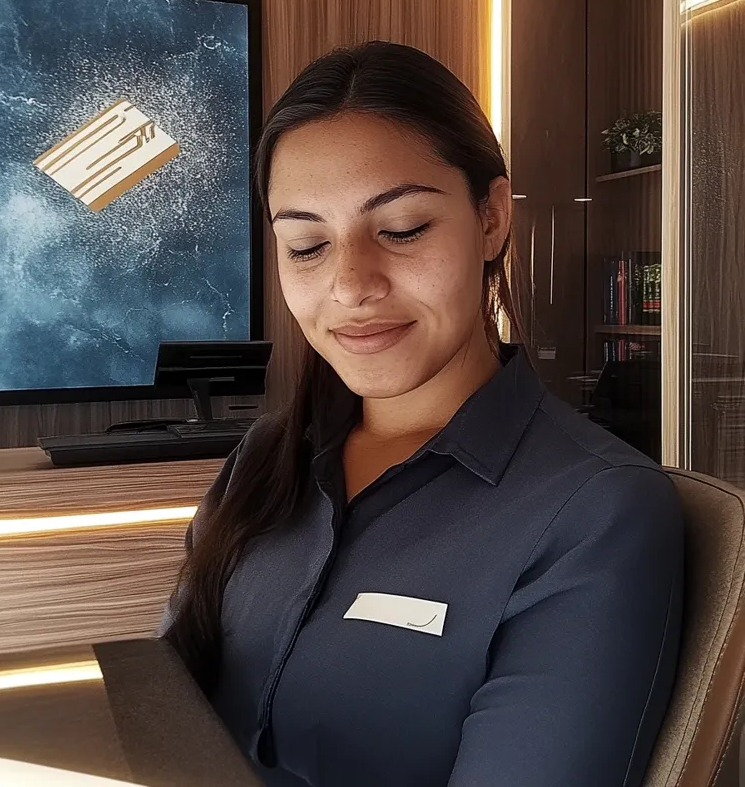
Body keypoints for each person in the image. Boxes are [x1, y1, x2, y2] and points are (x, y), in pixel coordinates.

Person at [160, 41, 683, 787]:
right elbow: (158, 706)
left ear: (492, 219)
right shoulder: (266, 457)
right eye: (306, 245)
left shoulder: (594, 513)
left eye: (402, 229)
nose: (350, 285)